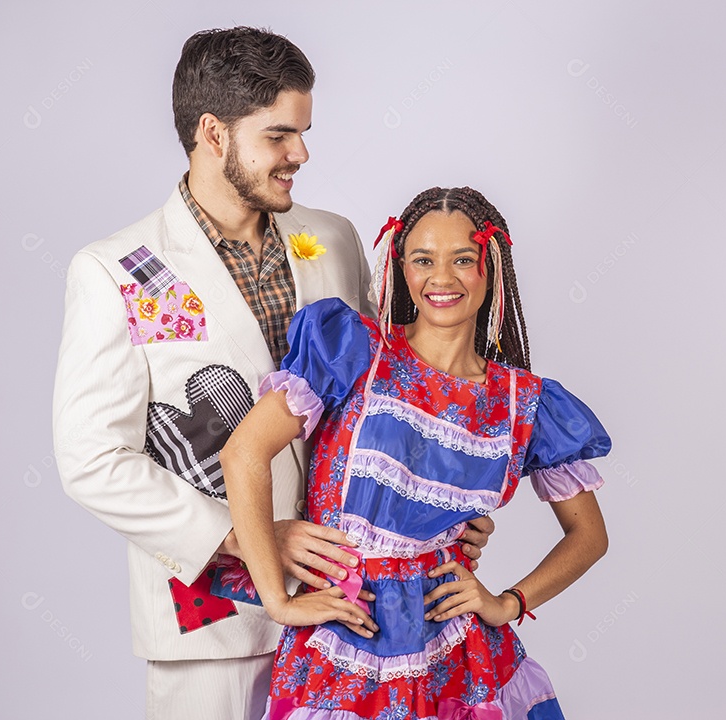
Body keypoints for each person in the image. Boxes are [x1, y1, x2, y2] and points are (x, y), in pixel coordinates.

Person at [52, 28, 491, 720]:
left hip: (354, 611)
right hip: (213, 622)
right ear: (213, 134)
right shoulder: (116, 270)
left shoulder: (335, 239)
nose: (302, 154)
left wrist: (443, 503)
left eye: (304, 132)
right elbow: (90, 459)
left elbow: (391, 394)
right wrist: (248, 536)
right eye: (280, 136)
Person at [221, 186, 610, 719]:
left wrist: (506, 604)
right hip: (344, 639)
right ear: (401, 268)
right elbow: (243, 455)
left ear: (490, 268)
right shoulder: (355, 352)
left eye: (463, 260)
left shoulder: (523, 402)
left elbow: (589, 535)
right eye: (423, 259)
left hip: (460, 657)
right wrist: (279, 601)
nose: (442, 279)